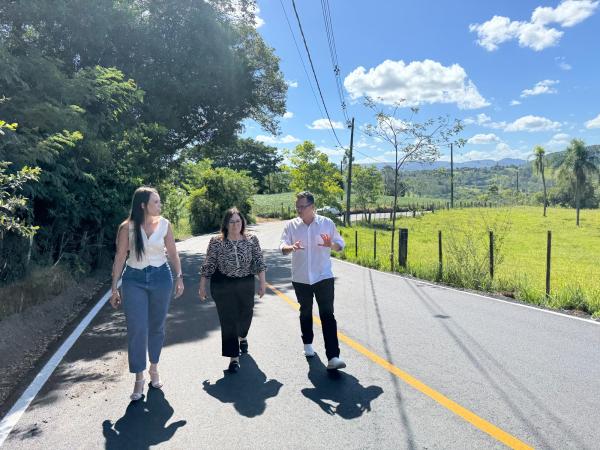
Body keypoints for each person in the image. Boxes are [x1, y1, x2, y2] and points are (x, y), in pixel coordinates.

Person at [110, 186, 185, 401]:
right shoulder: (127, 227)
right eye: (156, 202)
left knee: (157, 326)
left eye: (159, 201)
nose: (160, 205)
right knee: (137, 328)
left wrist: (179, 277)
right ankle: (139, 377)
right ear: (143, 205)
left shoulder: (165, 225)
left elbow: (173, 252)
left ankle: (154, 367)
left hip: (161, 277)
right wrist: (114, 288)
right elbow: (120, 257)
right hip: (134, 279)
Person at [280, 191, 346, 370]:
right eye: (297, 207)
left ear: (312, 207)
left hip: (323, 276)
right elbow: (282, 246)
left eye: (303, 206)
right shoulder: (291, 225)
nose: (299, 210)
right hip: (301, 278)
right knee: (305, 311)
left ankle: (333, 356)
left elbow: (340, 245)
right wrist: (291, 247)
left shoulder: (327, 223)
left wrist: (331, 245)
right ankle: (307, 343)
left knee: (327, 315)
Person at [199, 207, 266, 373]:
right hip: (223, 284)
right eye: (231, 222)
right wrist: (202, 285)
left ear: (242, 222)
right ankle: (233, 358)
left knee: (246, 315)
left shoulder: (251, 239)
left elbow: (259, 261)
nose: (235, 225)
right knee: (228, 320)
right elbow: (209, 264)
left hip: (245, 282)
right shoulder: (217, 242)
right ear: (226, 224)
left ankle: (242, 336)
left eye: (238, 221)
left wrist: (263, 283)